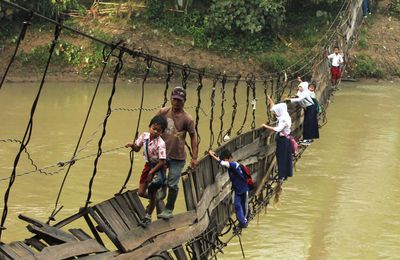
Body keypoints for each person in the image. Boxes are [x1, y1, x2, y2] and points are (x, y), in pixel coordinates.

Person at [157, 86, 198, 220]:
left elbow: (193, 137)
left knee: (173, 184)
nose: (176, 102)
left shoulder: (188, 119)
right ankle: (162, 189)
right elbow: (153, 126)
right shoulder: (163, 112)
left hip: (178, 157)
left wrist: (194, 157)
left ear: (184, 101)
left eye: (180, 100)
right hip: (162, 154)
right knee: (159, 180)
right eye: (174, 99)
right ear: (170, 99)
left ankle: (169, 209)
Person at [126, 115, 168, 226]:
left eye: (158, 130)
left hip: (158, 168)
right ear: (149, 127)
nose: (155, 131)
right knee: (141, 192)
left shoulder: (161, 143)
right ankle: (155, 199)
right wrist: (132, 146)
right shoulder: (144, 136)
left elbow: (162, 162)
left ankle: (148, 217)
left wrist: (151, 172)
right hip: (148, 165)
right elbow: (137, 148)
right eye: (154, 128)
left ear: (162, 132)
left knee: (153, 190)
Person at [208, 149, 248, 229]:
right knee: (237, 206)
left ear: (230, 158)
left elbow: (222, 163)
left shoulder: (234, 165)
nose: (226, 162)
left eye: (226, 160)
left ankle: (244, 221)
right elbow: (222, 161)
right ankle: (242, 222)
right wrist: (214, 155)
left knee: (244, 206)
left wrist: (212, 155)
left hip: (243, 189)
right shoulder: (230, 164)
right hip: (237, 190)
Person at [262, 96, 293, 181]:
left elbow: (278, 129)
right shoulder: (285, 114)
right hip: (287, 138)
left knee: (281, 158)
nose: (274, 114)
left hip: (283, 140)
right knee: (286, 157)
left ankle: (281, 176)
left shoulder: (283, 119)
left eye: (275, 112)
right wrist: (270, 99)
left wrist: (265, 126)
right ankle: (285, 175)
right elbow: (274, 107)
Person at [285, 80, 319, 145]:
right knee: (308, 123)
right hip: (309, 108)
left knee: (308, 124)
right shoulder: (302, 92)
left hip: (311, 108)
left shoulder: (305, 93)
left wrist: (290, 100)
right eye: (299, 87)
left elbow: (299, 99)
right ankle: (308, 139)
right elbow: (298, 97)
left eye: (301, 87)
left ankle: (307, 140)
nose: (299, 88)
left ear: (304, 87)